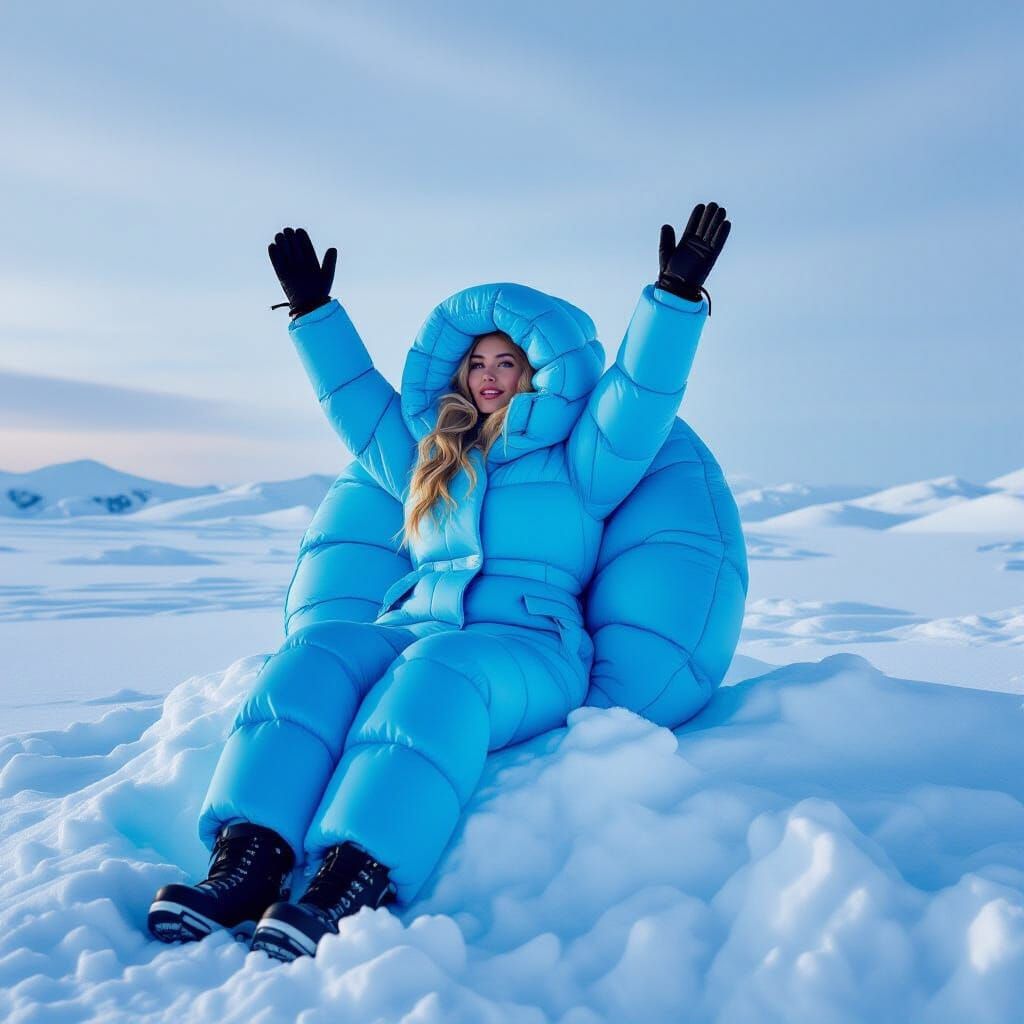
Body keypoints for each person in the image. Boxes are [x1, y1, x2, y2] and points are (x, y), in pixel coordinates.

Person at [147, 203, 731, 962]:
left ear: (537, 374)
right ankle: (247, 861)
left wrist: (674, 299)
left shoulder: (584, 462)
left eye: (507, 363)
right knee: (314, 654)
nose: (489, 377)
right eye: (478, 363)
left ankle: (353, 877)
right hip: (412, 628)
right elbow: (355, 404)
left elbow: (641, 396)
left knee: (438, 672)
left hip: (530, 646)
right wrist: (314, 313)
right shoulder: (431, 455)